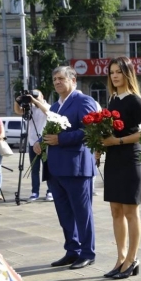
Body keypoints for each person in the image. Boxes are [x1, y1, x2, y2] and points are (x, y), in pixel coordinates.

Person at [46, 66, 99, 270]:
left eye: (61, 78)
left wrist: (60, 139)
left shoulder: (84, 101)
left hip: (77, 167)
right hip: (56, 168)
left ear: (73, 80)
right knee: (65, 213)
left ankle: (87, 252)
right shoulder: (53, 107)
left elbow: (89, 132)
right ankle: (72, 250)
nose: (57, 82)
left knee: (82, 213)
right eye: (55, 79)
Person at [100, 57, 141, 280]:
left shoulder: (135, 100)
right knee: (115, 210)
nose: (115, 76)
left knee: (130, 211)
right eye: (112, 72)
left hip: (130, 158)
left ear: (128, 73)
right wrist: (99, 144)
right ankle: (120, 258)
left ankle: (132, 258)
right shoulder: (112, 100)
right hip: (114, 159)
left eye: (119, 71)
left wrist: (116, 142)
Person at [14, 89, 53, 201]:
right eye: (32, 96)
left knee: (48, 169)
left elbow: (48, 113)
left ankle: (50, 191)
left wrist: (36, 102)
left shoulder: (48, 106)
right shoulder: (29, 108)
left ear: (42, 96)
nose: (33, 98)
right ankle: (34, 192)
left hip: (46, 141)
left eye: (36, 96)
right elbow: (17, 111)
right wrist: (18, 101)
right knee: (34, 169)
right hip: (32, 142)